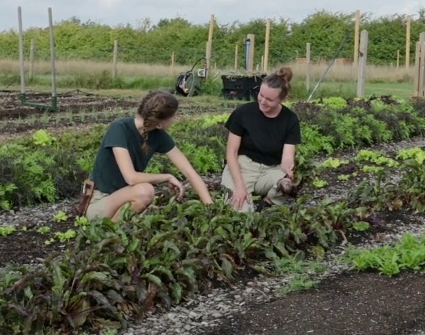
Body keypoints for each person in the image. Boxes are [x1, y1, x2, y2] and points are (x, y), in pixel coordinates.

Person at [85, 91, 214, 221]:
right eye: (174, 116)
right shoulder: (119, 128)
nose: (176, 119)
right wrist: (167, 176)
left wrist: (210, 207)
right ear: (159, 123)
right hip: (101, 201)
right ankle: (108, 232)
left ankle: (120, 227)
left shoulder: (157, 135)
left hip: (125, 198)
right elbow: (131, 178)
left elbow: (189, 171)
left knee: (154, 210)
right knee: (145, 191)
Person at [222, 67, 301, 212]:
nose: (263, 101)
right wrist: (240, 188)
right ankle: (247, 200)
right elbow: (231, 153)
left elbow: (287, 156)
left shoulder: (290, 119)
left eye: (269, 99)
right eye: (261, 95)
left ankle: (268, 201)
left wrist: (288, 169)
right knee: (241, 211)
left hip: (270, 170)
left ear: (282, 99)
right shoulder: (243, 113)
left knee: (287, 186)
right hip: (243, 167)